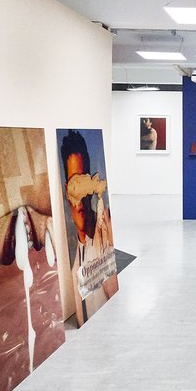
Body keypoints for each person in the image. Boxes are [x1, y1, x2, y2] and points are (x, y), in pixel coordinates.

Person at [60, 130, 117, 324]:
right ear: (66, 193)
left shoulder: (105, 233)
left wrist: (109, 247)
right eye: (75, 186)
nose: (81, 199)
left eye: (85, 184)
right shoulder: (74, 266)